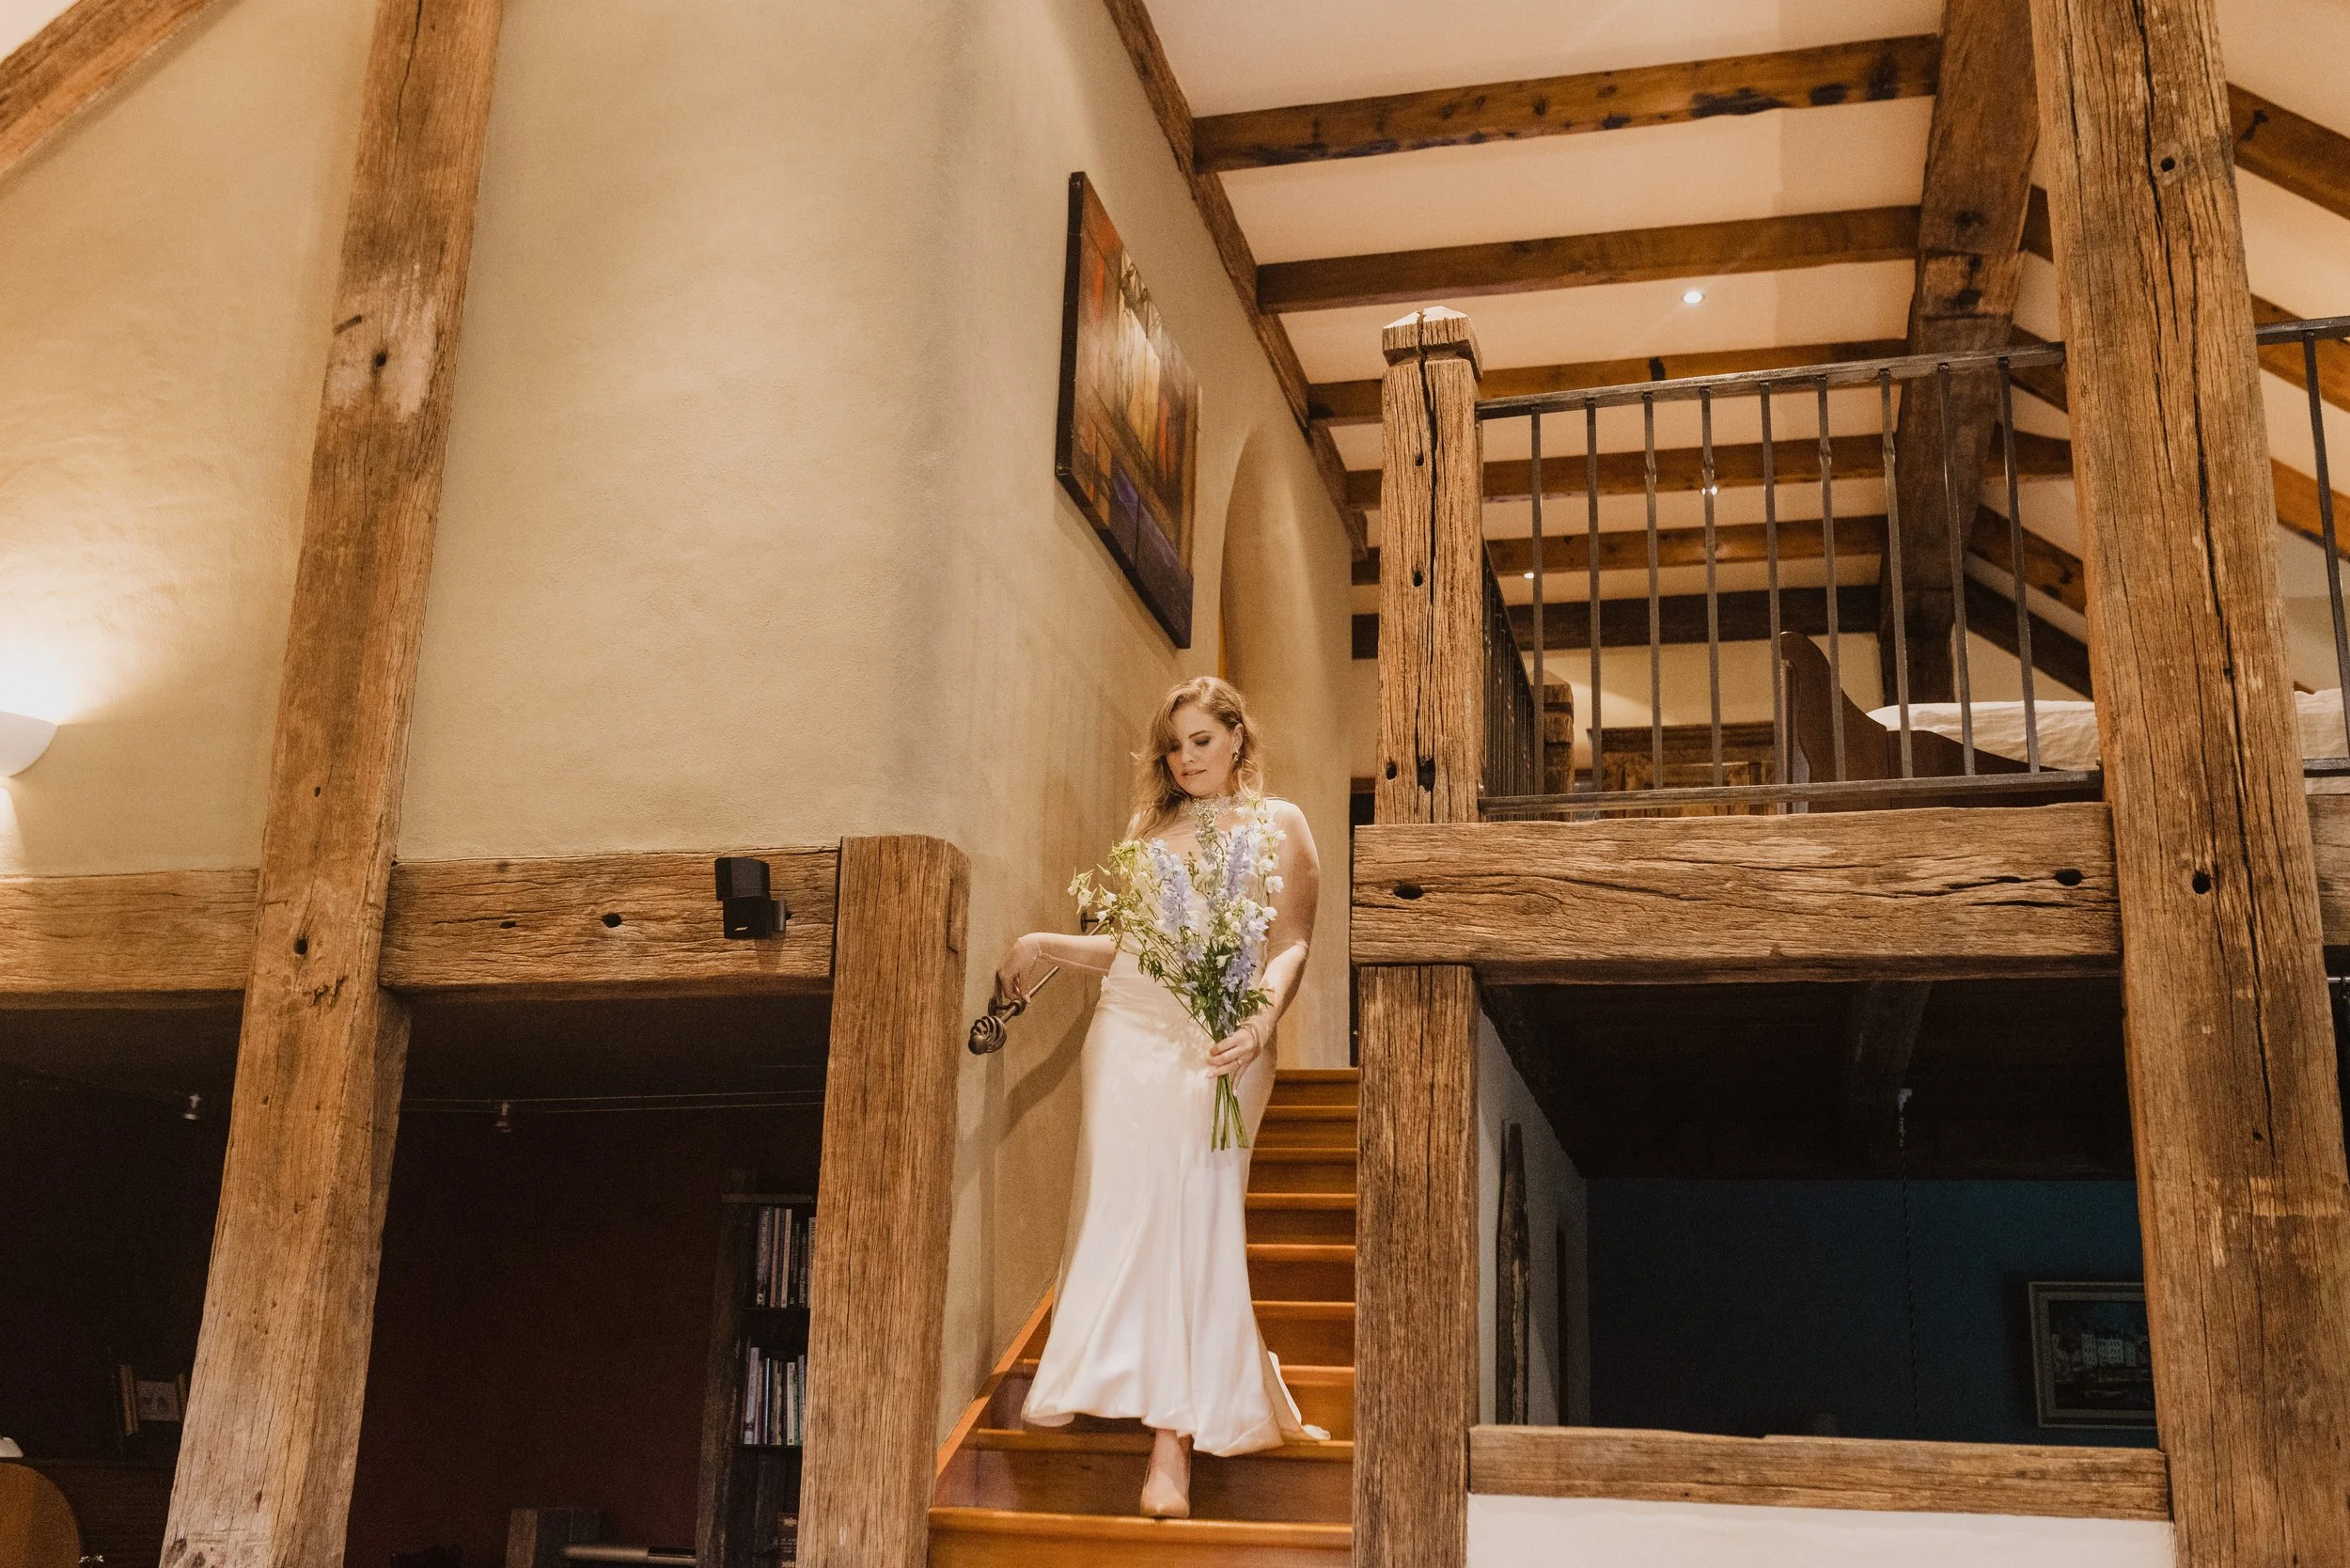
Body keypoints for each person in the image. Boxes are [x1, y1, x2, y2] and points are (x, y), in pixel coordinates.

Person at [994, 675, 1324, 1518]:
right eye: (1175, 746)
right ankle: (1109, 1377)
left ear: (1237, 739)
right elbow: (1133, 948)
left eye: (1201, 741)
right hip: (1131, 1029)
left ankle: (1172, 1448)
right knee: (1118, 1205)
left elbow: (1289, 943)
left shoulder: (1279, 824)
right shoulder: (1154, 829)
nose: (1186, 759)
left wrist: (1260, 1017)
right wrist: (1043, 944)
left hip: (1223, 1035)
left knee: (1197, 1210)